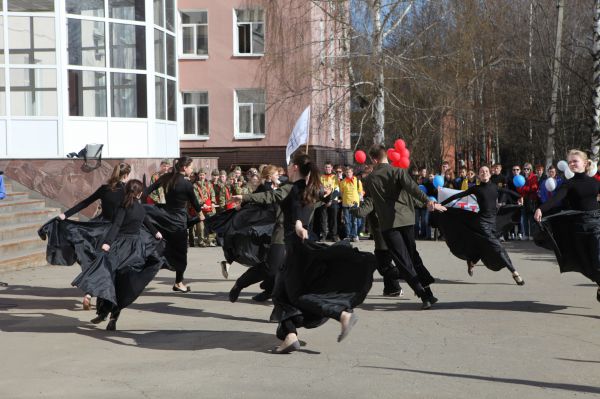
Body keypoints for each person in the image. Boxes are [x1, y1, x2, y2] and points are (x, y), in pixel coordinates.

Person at [233, 153, 375, 353]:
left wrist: (298, 225)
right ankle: (290, 336)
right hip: (296, 247)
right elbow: (305, 202)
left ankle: (342, 315)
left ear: (296, 168)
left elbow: (292, 209)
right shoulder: (311, 189)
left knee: (298, 296)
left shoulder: (294, 189)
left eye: (290, 164)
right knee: (280, 294)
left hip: (296, 247)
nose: (288, 167)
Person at [73, 180, 164, 330]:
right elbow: (146, 221)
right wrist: (157, 233)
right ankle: (113, 317)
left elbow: (116, 226)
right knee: (124, 284)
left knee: (108, 276)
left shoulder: (124, 207)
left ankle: (100, 309)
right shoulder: (140, 208)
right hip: (135, 250)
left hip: (119, 246)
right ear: (140, 193)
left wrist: (107, 242)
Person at [363, 144, 445, 309]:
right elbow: (413, 189)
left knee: (403, 261)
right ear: (387, 155)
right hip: (406, 219)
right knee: (413, 256)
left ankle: (424, 294)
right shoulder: (398, 172)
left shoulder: (370, 179)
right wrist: (428, 201)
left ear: (373, 159)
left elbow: (370, 201)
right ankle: (427, 292)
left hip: (388, 224)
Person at [57, 163, 131, 310]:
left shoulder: (104, 189)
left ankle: (90, 293)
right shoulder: (126, 191)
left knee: (96, 262)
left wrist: (66, 214)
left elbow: (85, 203)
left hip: (97, 229)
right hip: (115, 232)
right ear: (126, 175)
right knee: (110, 265)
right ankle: (97, 296)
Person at [438, 166, 525, 284]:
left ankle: (472, 260)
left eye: (486, 171)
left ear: (489, 174)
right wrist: (440, 204)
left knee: (484, 245)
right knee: (498, 248)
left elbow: (508, 191)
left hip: (493, 222)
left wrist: (519, 197)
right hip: (482, 223)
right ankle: (515, 273)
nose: (484, 173)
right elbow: (457, 196)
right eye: (481, 172)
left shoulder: (494, 186)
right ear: (478, 175)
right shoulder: (476, 189)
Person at [534, 150, 600, 302]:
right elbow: (556, 199)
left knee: (598, 260)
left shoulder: (595, 183)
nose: (571, 164)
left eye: (575, 161)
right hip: (578, 227)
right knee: (586, 264)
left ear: (585, 163)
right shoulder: (568, 184)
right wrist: (540, 209)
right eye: (569, 162)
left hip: (596, 224)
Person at [145, 156, 203, 293]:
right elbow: (194, 202)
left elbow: (148, 189)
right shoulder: (187, 184)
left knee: (163, 245)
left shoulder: (166, 178)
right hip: (178, 221)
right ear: (184, 167)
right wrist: (200, 214)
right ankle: (178, 282)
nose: (192, 169)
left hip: (164, 217)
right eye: (191, 167)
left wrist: (137, 198)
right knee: (181, 253)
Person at [227, 165, 284, 304]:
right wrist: (244, 200)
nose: (280, 176)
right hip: (266, 230)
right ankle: (241, 284)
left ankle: (269, 290)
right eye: (277, 174)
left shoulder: (283, 187)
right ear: (270, 176)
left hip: (279, 230)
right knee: (269, 265)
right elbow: (260, 199)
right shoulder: (266, 188)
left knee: (279, 266)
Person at [193, 168, 217, 247]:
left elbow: (212, 193)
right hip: (201, 208)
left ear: (205, 175)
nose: (202, 176)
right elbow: (195, 197)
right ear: (198, 176)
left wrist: (213, 202)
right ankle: (201, 241)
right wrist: (202, 203)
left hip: (210, 207)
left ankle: (210, 240)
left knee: (212, 223)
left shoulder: (209, 184)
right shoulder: (195, 185)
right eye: (200, 175)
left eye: (203, 175)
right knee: (201, 226)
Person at [339, 165, 363, 242]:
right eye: (346, 172)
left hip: (355, 203)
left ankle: (355, 235)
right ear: (345, 173)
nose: (348, 173)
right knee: (347, 221)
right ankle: (348, 236)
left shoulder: (357, 181)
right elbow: (341, 192)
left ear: (352, 172)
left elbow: (360, 192)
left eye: (349, 172)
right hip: (346, 203)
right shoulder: (342, 182)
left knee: (354, 221)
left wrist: (358, 200)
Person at [318, 161, 340, 242]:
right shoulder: (321, 177)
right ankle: (323, 235)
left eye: (329, 167)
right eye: (326, 167)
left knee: (333, 219)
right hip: (323, 201)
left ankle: (333, 235)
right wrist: (325, 200)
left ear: (331, 168)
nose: (327, 169)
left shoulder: (335, 177)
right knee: (323, 219)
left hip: (333, 200)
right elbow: (320, 189)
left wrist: (330, 200)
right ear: (324, 168)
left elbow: (337, 190)